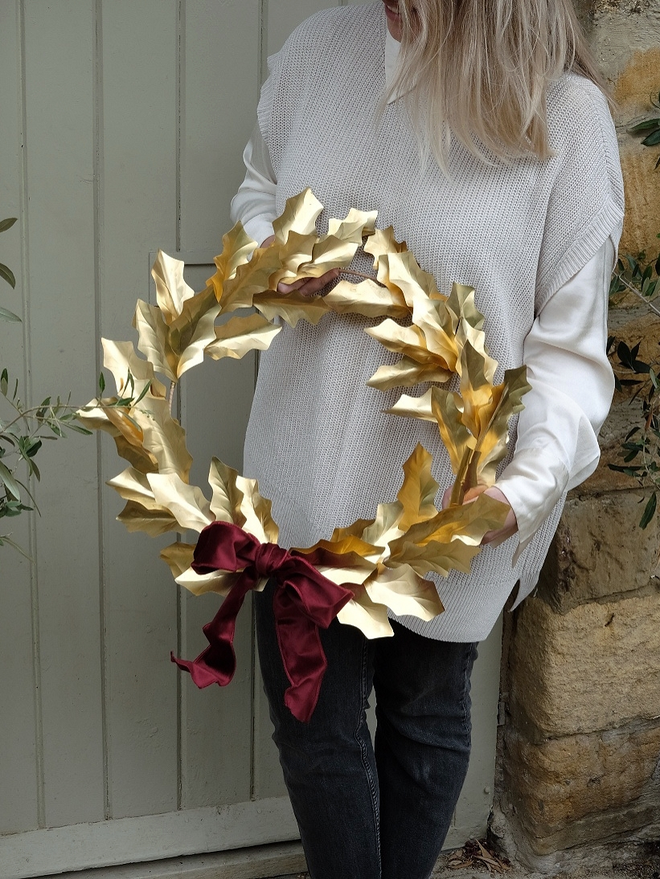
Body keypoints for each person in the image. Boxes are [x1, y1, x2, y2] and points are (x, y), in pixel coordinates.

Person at [229, 1, 624, 877]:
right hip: (301, 470)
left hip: (453, 498)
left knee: (423, 711)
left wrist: (522, 490)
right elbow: (259, 186)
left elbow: (567, 351)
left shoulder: (559, 115)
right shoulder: (318, 52)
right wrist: (273, 252)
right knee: (312, 725)